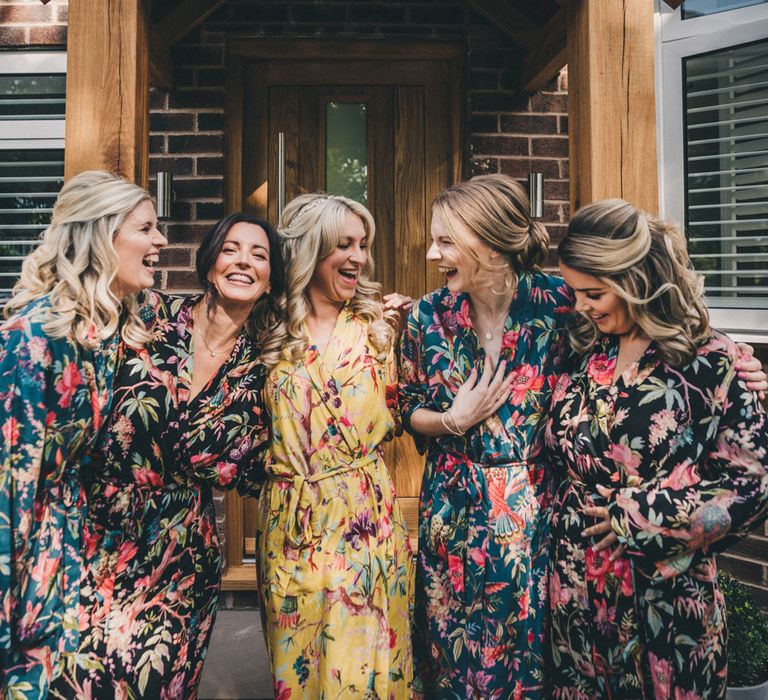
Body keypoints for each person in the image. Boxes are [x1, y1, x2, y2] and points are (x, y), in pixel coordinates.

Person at [50, 213, 285, 699]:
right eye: (231, 249)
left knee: (154, 686)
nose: (243, 261)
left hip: (179, 559)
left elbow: (262, 467)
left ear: (270, 281)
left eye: (259, 255)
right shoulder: (147, 315)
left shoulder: (266, 368)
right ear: (209, 263)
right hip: (96, 538)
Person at [546, 199, 768, 699]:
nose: (582, 305)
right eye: (576, 292)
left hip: (666, 599)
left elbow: (751, 484)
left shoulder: (709, 360)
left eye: (595, 292)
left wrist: (640, 515)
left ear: (635, 279)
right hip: (575, 595)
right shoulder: (584, 349)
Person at [398, 174, 573, 698]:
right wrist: (453, 419)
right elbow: (407, 408)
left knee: (529, 665)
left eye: (446, 240)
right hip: (451, 512)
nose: (432, 253)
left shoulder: (561, 305)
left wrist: (733, 359)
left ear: (491, 240)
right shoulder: (427, 316)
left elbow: (646, 333)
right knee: (453, 661)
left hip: (536, 515)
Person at [0, 171, 166, 698]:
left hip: (73, 557)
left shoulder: (104, 329)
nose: (161, 242)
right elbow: (10, 485)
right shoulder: (33, 338)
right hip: (27, 563)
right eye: (146, 228)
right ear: (101, 234)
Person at [255, 193, 413, 698]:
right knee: (297, 664)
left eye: (363, 245)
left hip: (363, 514)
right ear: (309, 251)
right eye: (343, 245)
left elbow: (405, 411)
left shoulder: (380, 327)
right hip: (291, 518)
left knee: (363, 665)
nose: (358, 257)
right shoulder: (266, 328)